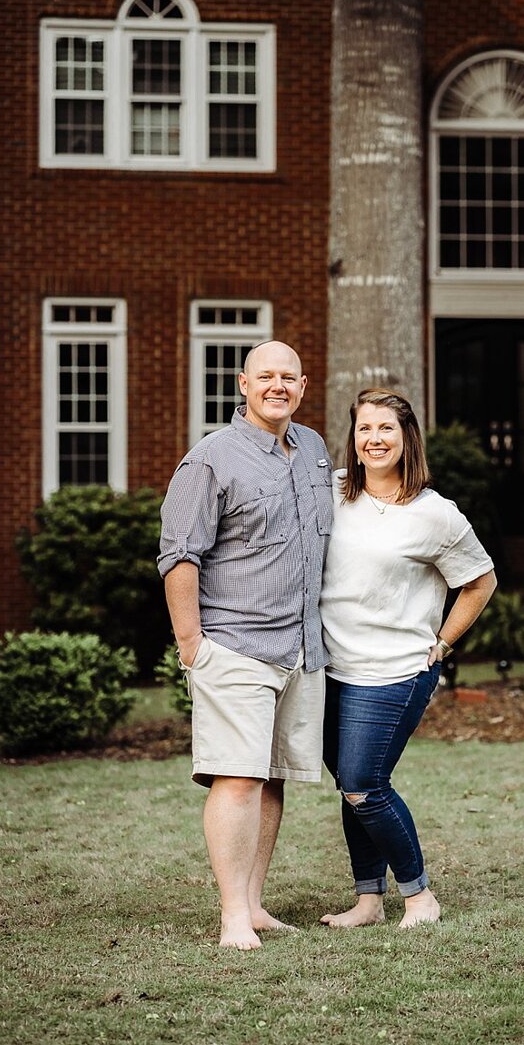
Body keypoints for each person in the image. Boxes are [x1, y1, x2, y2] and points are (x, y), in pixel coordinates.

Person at [159, 340, 337, 950]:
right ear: (242, 384)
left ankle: (255, 904)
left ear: (304, 385)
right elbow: (179, 556)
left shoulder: (313, 450)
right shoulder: (211, 458)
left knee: (272, 778)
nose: (278, 386)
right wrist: (192, 645)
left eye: (289, 377)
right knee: (236, 778)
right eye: (266, 377)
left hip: (301, 649)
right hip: (235, 645)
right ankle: (233, 915)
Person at [315, 388, 497, 929]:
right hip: (331, 668)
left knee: (363, 784)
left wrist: (442, 642)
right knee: (354, 788)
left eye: (386, 429)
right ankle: (368, 900)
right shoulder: (334, 492)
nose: (374, 439)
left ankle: (419, 897)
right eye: (364, 428)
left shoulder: (435, 514)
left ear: (406, 437)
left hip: (394, 671)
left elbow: (480, 582)